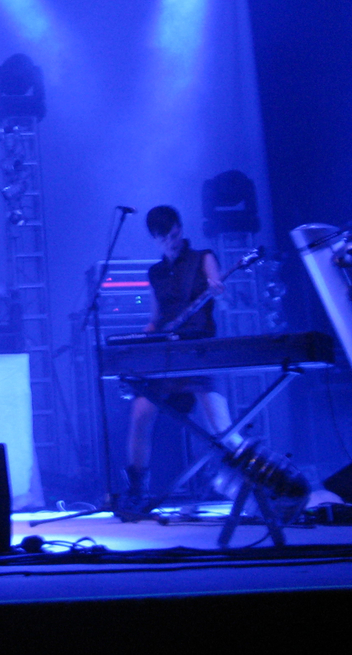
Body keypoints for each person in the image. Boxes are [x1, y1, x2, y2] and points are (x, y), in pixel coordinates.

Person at [119, 205, 240, 515]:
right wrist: (137, 344)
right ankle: (137, 491)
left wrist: (219, 290)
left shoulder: (203, 258)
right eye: (164, 239)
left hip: (198, 350)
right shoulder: (155, 273)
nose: (171, 242)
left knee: (221, 426)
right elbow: (155, 319)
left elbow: (221, 293)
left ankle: (249, 484)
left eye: (174, 235)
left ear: (181, 228)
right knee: (140, 413)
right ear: (155, 239)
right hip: (165, 354)